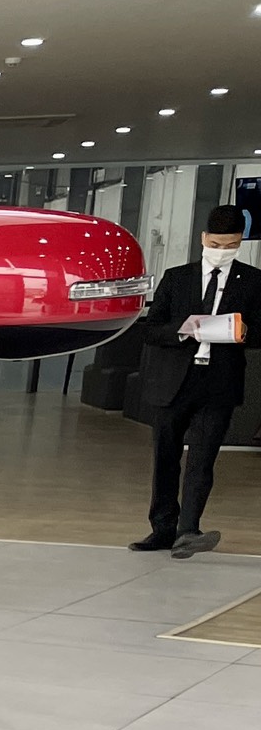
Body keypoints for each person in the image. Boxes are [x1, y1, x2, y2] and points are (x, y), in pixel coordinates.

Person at [132, 204, 259, 558]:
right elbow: (151, 329)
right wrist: (183, 330)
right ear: (204, 239)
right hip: (173, 382)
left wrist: (242, 331)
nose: (222, 251)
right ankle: (162, 528)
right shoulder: (177, 278)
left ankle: (188, 531)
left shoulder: (253, 281)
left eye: (230, 245)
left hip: (218, 383)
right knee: (166, 457)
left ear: (240, 242)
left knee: (202, 460)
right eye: (216, 244)